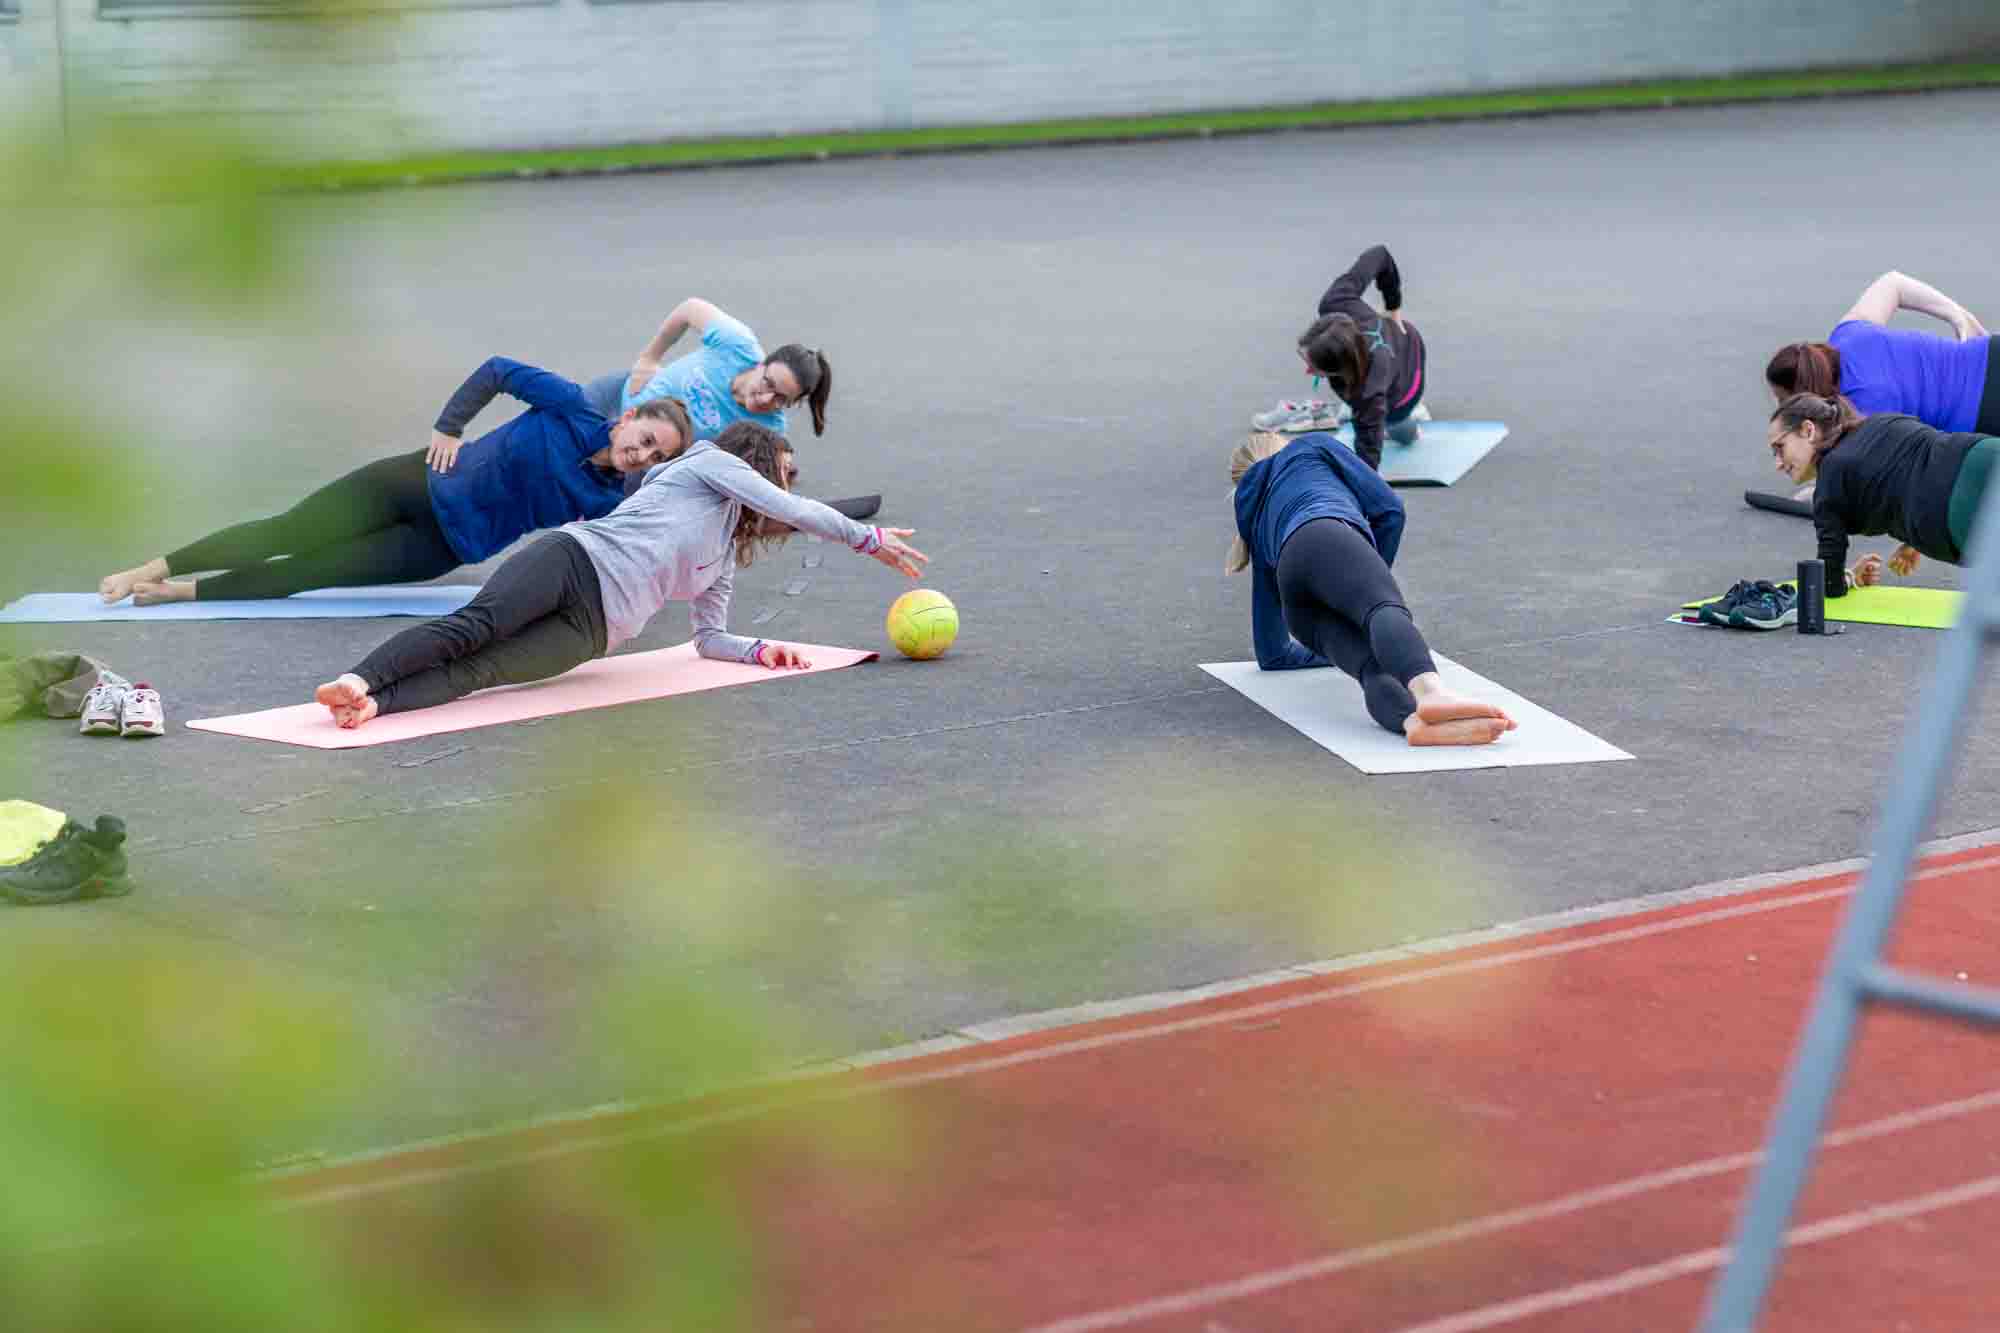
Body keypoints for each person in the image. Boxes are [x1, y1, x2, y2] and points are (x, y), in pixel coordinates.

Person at [314, 422, 926, 729]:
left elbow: (709, 638)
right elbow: (793, 510)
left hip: (596, 630)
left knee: (483, 672)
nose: (786, 487)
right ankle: (356, 676)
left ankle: (370, 705)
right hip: (574, 559)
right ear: (757, 462)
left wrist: (760, 650)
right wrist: (865, 537)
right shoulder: (705, 463)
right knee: (477, 626)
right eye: (781, 471)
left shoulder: (720, 552)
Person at [98, 360, 691, 605]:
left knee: (309, 571)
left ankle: (189, 594)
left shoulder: (607, 501)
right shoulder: (574, 409)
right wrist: (450, 427)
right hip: (414, 479)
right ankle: (154, 569)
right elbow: (499, 371)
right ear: (628, 418)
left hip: (443, 547)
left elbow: (617, 552)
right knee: (290, 530)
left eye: (653, 455)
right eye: (641, 438)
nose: (638, 453)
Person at [1227, 432, 1514, 746]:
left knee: (1370, 668)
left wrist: (1332, 649)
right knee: (1381, 610)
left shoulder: (1253, 520)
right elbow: (1390, 510)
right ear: (1279, 446)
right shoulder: (1310, 447)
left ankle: (1410, 722)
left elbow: (1273, 655)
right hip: (1325, 534)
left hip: (1298, 602)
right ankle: (1431, 693)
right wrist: (1366, 591)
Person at [581, 296, 879, 519]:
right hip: (622, 397)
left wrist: (781, 483)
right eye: (768, 383)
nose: (765, 399)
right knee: (561, 424)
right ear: (762, 362)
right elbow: (690, 308)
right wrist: (650, 358)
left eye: (780, 399)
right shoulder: (738, 345)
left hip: (648, 459)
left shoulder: (769, 429)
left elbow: (747, 485)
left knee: (610, 495)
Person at [1766, 392, 2000, 601]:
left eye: (1780, 447)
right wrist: (1911, 542)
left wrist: (1852, 576)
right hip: (1982, 452)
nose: (1777, 463)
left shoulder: (1830, 481)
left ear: (1808, 430)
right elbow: (1922, 466)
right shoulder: (1881, 421)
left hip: (1957, 513)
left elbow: (1829, 584)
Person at [1765, 271, 2000, 434]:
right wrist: (1957, 315)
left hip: (1983, 414)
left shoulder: (1860, 412)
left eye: (1781, 399)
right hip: (1989, 352)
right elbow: (1894, 283)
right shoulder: (1849, 335)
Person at [1293, 244, 1431, 470]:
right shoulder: (1335, 302)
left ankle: (1409, 424)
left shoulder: (1369, 390)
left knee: (1393, 423)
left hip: (1406, 381)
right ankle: (1361, 414)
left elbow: (1368, 455)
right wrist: (1393, 306)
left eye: (1316, 369)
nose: (1308, 371)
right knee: (1363, 413)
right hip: (1392, 341)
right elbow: (1380, 254)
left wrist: (1359, 493)